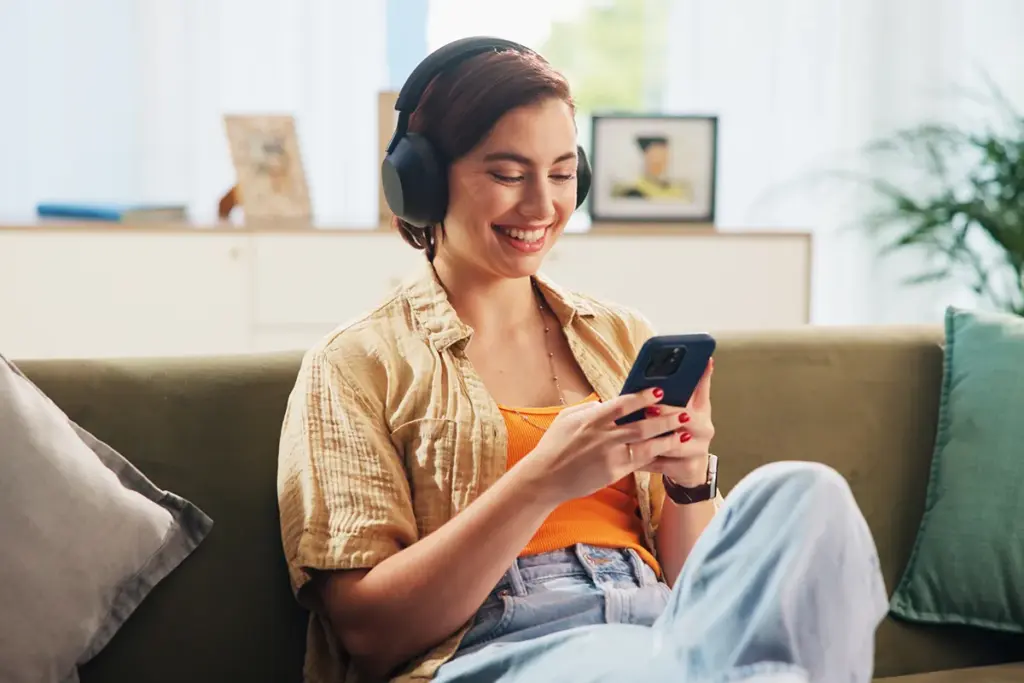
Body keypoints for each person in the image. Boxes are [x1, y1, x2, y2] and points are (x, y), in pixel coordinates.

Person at [277, 37, 888, 683]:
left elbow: (695, 587)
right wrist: (541, 480)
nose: (543, 206)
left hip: (662, 634)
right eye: (508, 174)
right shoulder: (355, 364)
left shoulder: (620, 334)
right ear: (421, 183)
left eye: (563, 174)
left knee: (804, 492)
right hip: (499, 647)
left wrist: (685, 479)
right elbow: (368, 633)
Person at [611, 135, 694, 202]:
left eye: (664, 156)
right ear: (645, 157)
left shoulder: (678, 190)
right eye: (655, 156)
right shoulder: (633, 191)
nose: (661, 161)